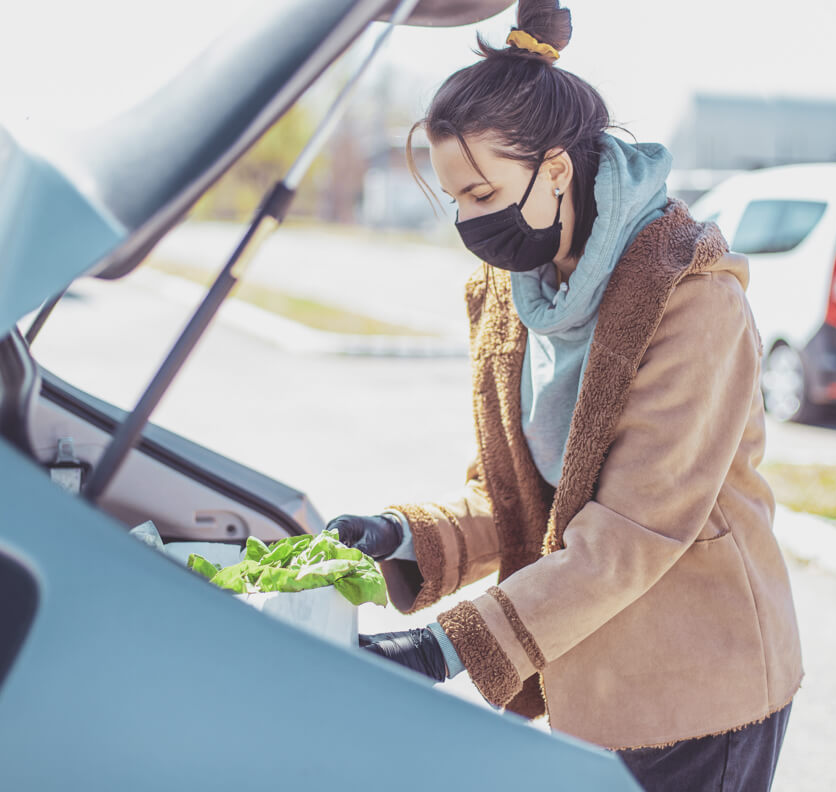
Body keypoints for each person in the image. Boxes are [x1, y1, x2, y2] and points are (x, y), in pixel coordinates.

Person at [329, 2, 803, 789]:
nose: (467, 222)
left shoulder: (693, 299)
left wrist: (444, 647)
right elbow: (520, 494)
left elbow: (631, 532)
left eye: (482, 193)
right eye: (455, 199)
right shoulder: (513, 291)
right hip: (588, 682)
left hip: (699, 688)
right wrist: (401, 535)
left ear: (555, 169)